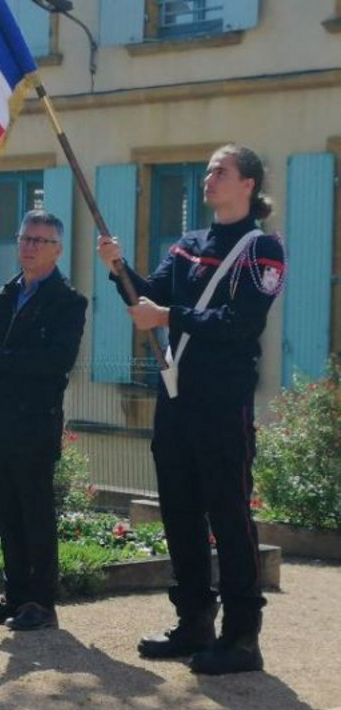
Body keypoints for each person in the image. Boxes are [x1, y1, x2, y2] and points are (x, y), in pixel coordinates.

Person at [97, 144, 285, 675]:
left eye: (220, 171)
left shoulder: (262, 249)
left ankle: (242, 637)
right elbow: (148, 297)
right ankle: (194, 621)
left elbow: (239, 324)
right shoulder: (187, 244)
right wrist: (118, 267)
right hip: (175, 398)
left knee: (229, 514)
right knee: (179, 511)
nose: (209, 178)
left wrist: (167, 316)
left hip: (222, 402)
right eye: (207, 171)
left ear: (248, 183)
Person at [0, 210, 87, 632]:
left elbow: (57, 360)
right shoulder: (6, 294)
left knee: (35, 513)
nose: (28, 247)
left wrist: (1, 360)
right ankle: (13, 596)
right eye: (25, 238)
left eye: (39, 241)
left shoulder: (68, 301)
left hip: (34, 423)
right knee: (7, 514)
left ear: (57, 250)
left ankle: (41, 602)